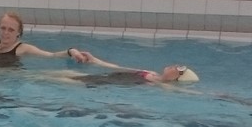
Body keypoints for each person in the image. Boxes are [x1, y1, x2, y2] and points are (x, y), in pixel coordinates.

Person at [36, 47, 200, 86]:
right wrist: (96, 61)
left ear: (177, 79)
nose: (175, 66)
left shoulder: (162, 86)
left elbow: (186, 93)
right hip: (108, 77)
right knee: (59, 73)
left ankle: (30, 78)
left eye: (180, 70)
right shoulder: (150, 73)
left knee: (54, 79)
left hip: (102, 84)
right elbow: (119, 68)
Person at [0, 12, 76, 67]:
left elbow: (51, 56)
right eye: (3, 28)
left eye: (11, 30)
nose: (6, 33)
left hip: (13, 79)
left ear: (18, 33)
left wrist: (70, 51)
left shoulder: (23, 49)